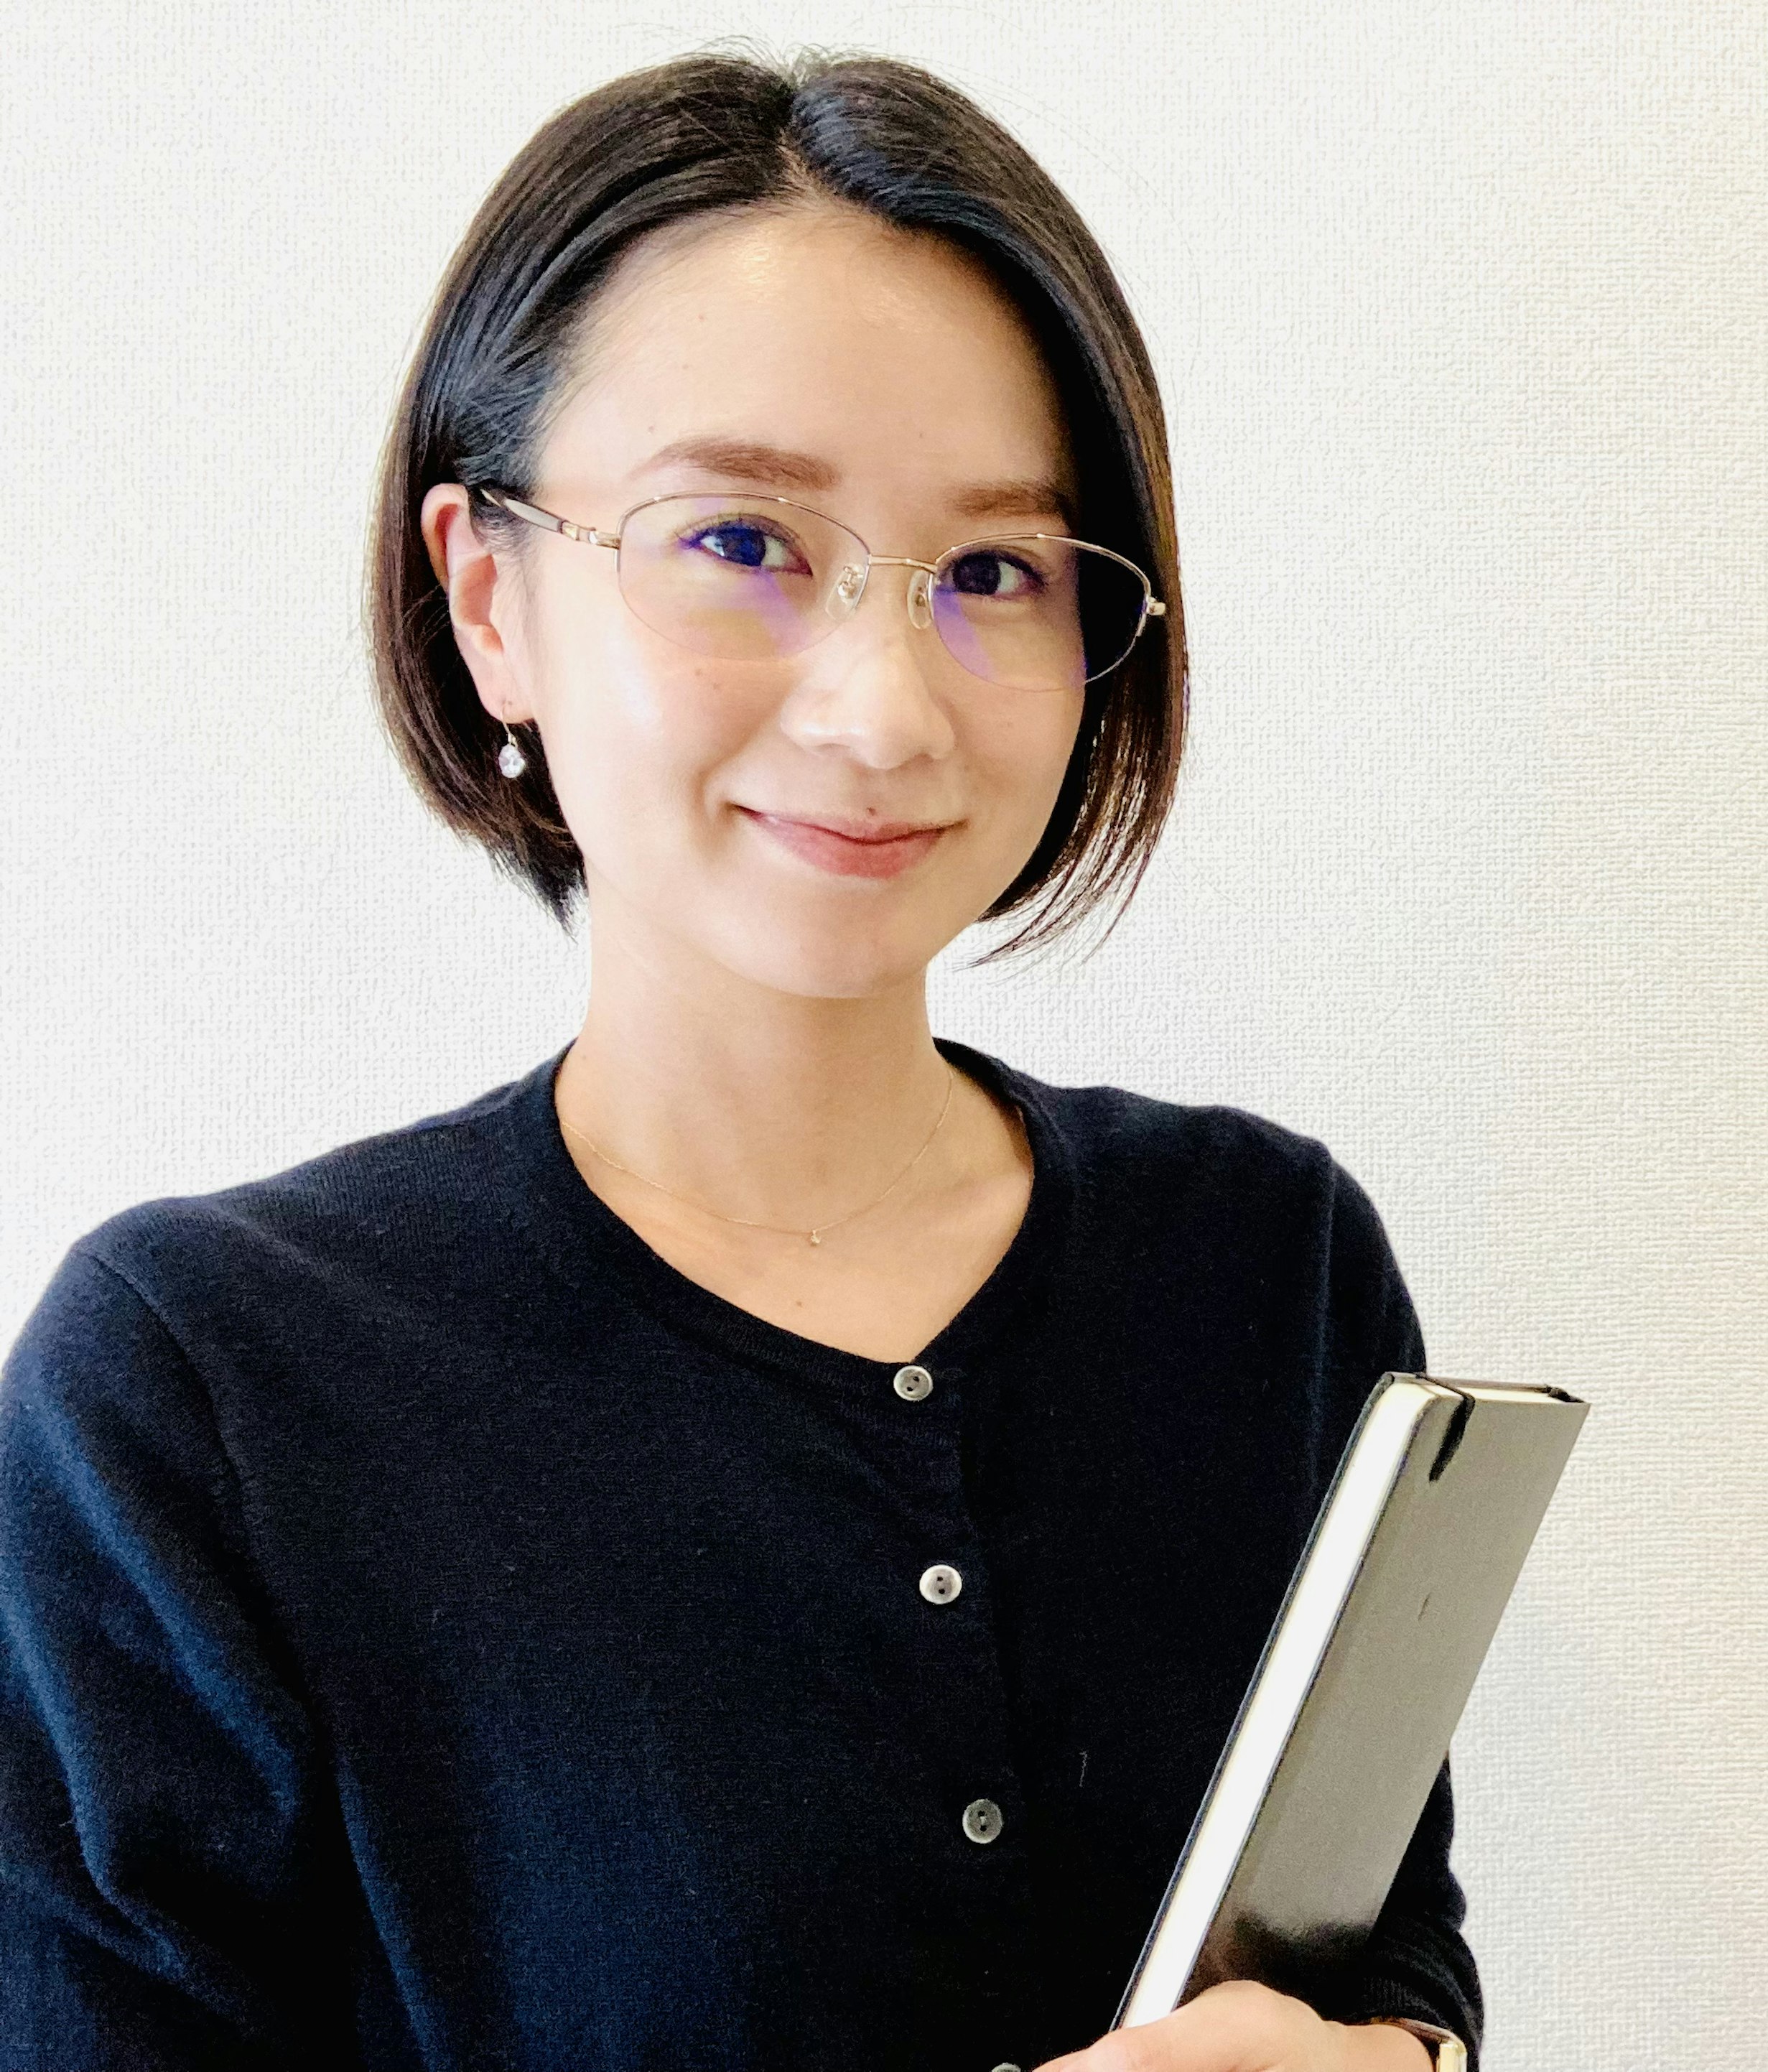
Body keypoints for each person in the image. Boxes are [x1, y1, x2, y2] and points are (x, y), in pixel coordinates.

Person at [0, 49, 1479, 2072]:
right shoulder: (199, 1388)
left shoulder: (1265, 1260)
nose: (882, 709)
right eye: (740, 544)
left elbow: (1383, 1952)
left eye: (994, 574)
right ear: (488, 595)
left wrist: (1397, 2059)